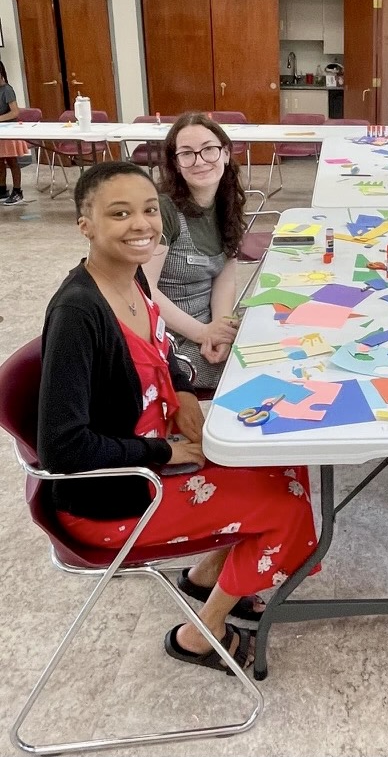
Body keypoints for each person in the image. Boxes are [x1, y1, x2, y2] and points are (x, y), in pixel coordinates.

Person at [38, 161, 320, 673]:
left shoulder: (131, 283)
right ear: (86, 225)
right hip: (116, 496)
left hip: (153, 451)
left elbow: (162, 353)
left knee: (283, 451)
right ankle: (202, 631)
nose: (142, 224)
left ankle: (210, 574)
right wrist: (164, 450)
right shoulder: (78, 313)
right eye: (119, 213)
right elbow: (62, 446)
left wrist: (186, 393)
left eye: (148, 209)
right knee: (285, 505)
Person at [143, 112, 244, 390]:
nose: (200, 161)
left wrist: (221, 329)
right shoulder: (164, 210)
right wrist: (203, 333)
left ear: (225, 153)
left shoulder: (227, 205)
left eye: (209, 150)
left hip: (208, 324)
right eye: (187, 154)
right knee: (250, 368)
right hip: (170, 337)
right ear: (175, 164)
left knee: (272, 331)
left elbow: (224, 277)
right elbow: (143, 290)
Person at [0, 60, 28, 206]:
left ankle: (17, 191)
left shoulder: (7, 90)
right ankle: (2, 188)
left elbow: (15, 112)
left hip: (9, 131)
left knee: (12, 161)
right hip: (0, 133)